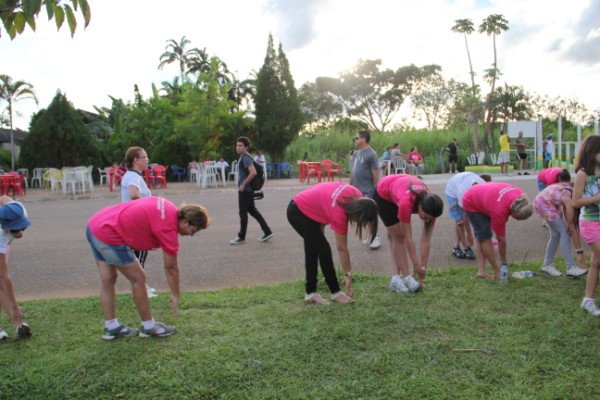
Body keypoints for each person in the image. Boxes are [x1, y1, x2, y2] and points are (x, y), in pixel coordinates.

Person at [86, 196, 210, 339]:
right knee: (138, 278)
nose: (191, 235)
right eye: (193, 230)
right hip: (109, 233)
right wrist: (175, 294)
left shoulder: (168, 206)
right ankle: (148, 327)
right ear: (185, 221)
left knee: (108, 279)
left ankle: (111, 327)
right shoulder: (168, 228)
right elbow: (171, 268)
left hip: (95, 225)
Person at [287, 182, 379, 305]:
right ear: (358, 213)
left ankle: (310, 293)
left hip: (307, 206)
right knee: (323, 249)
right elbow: (342, 249)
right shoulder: (339, 212)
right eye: (361, 221)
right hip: (298, 211)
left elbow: (324, 204)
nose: (359, 224)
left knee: (313, 249)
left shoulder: (356, 194)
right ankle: (335, 292)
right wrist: (348, 276)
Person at [373, 174, 444, 293]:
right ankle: (406, 278)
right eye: (426, 217)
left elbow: (426, 239)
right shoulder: (406, 202)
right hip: (383, 194)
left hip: (398, 189)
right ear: (420, 207)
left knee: (394, 236)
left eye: (430, 219)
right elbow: (408, 237)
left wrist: (422, 269)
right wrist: (415, 264)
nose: (428, 220)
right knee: (399, 237)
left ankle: (395, 279)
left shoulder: (433, 206)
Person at [462, 183, 533, 279]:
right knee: (485, 236)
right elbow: (501, 240)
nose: (518, 220)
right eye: (518, 218)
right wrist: (504, 263)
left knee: (481, 235)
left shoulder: (521, 197)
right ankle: (497, 271)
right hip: (471, 201)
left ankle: (481, 271)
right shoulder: (500, 211)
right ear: (513, 210)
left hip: (483, 197)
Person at [534, 169, 588, 277]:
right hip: (544, 205)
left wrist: (569, 222)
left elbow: (569, 219)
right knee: (564, 232)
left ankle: (547, 265)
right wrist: (580, 252)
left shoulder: (569, 189)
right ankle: (570, 267)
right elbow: (571, 226)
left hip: (542, 201)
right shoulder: (568, 197)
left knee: (555, 234)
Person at [120, 146, 156, 299]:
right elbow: (133, 193)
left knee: (138, 256)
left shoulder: (132, 175)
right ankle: (141, 288)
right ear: (135, 160)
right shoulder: (133, 177)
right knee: (139, 257)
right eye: (144, 157)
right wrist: (148, 206)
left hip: (133, 221)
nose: (147, 160)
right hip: (136, 223)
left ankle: (143, 286)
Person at [572, 135, 600, 316]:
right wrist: (598, 198)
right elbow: (575, 202)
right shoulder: (583, 174)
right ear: (592, 152)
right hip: (590, 223)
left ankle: (587, 300)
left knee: (597, 261)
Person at [230, 136, 273, 245]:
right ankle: (267, 231)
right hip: (248, 190)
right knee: (253, 211)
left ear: (246, 147)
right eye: (237, 145)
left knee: (243, 213)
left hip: (245, 190)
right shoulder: (245, 157)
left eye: (240, 146)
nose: (238, 147)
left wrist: (243, 184)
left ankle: (241, 236)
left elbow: (253, 172)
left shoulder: (245, 158)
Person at [0, 196, 32, 340]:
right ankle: (17, 322)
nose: (20, 232)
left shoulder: (17, 208)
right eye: (15, 229)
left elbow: (3, 197)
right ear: (5, 226)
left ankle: (17, 323)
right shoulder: (0, 236)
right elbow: (4, 276)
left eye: (23, 226)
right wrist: (14, 306)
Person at [445, 172, 492, 260]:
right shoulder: (462, 192)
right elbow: (465, 215)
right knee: (459, 221)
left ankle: (456, 246)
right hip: (452, 192)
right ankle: (466, 247)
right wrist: (469, 235)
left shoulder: (484, 186)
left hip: (461, 181)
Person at [349, 130, 381, 249]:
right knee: (363, 215)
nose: (355, 140)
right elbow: (353, 171)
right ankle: (371, 235)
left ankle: (376, 237)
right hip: (357, 189)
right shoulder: (357, 153)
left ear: (364, 139)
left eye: (357, 138)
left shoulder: (371, 154)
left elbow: (375, 173)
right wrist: (349, 186)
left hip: (367, 190)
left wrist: (375, 190)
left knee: (370, 214)